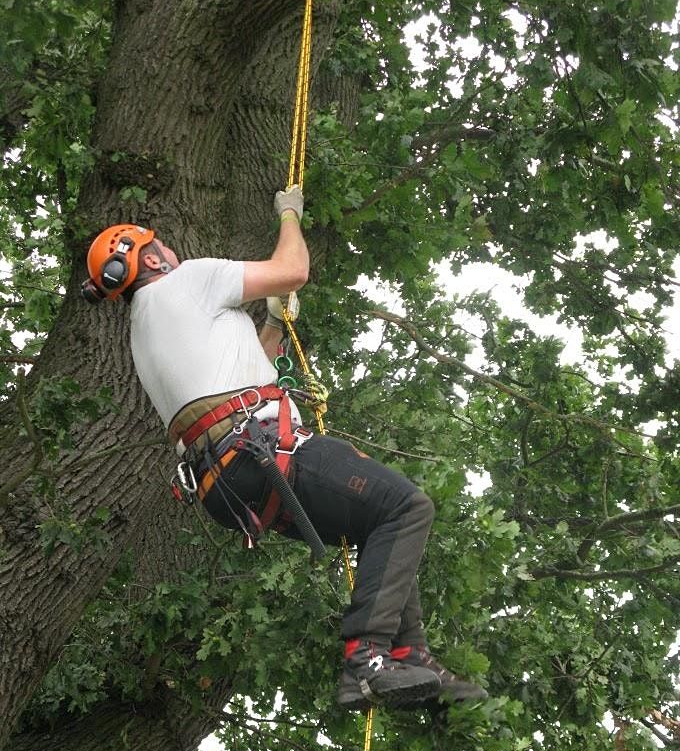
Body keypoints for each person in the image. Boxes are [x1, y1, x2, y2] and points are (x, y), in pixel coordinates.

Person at [82, 187, 487, 711]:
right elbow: (292, 268)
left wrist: (273, 321)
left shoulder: (146, 328)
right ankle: (367, 658)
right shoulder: (187, 279)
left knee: (377, 523)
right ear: (152, 257)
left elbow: (248, 371)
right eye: (161, 246)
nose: (171, 251)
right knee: (407, 507)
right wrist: (290, 214)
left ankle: (409, 653)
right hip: (261, 451)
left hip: (227, 479)